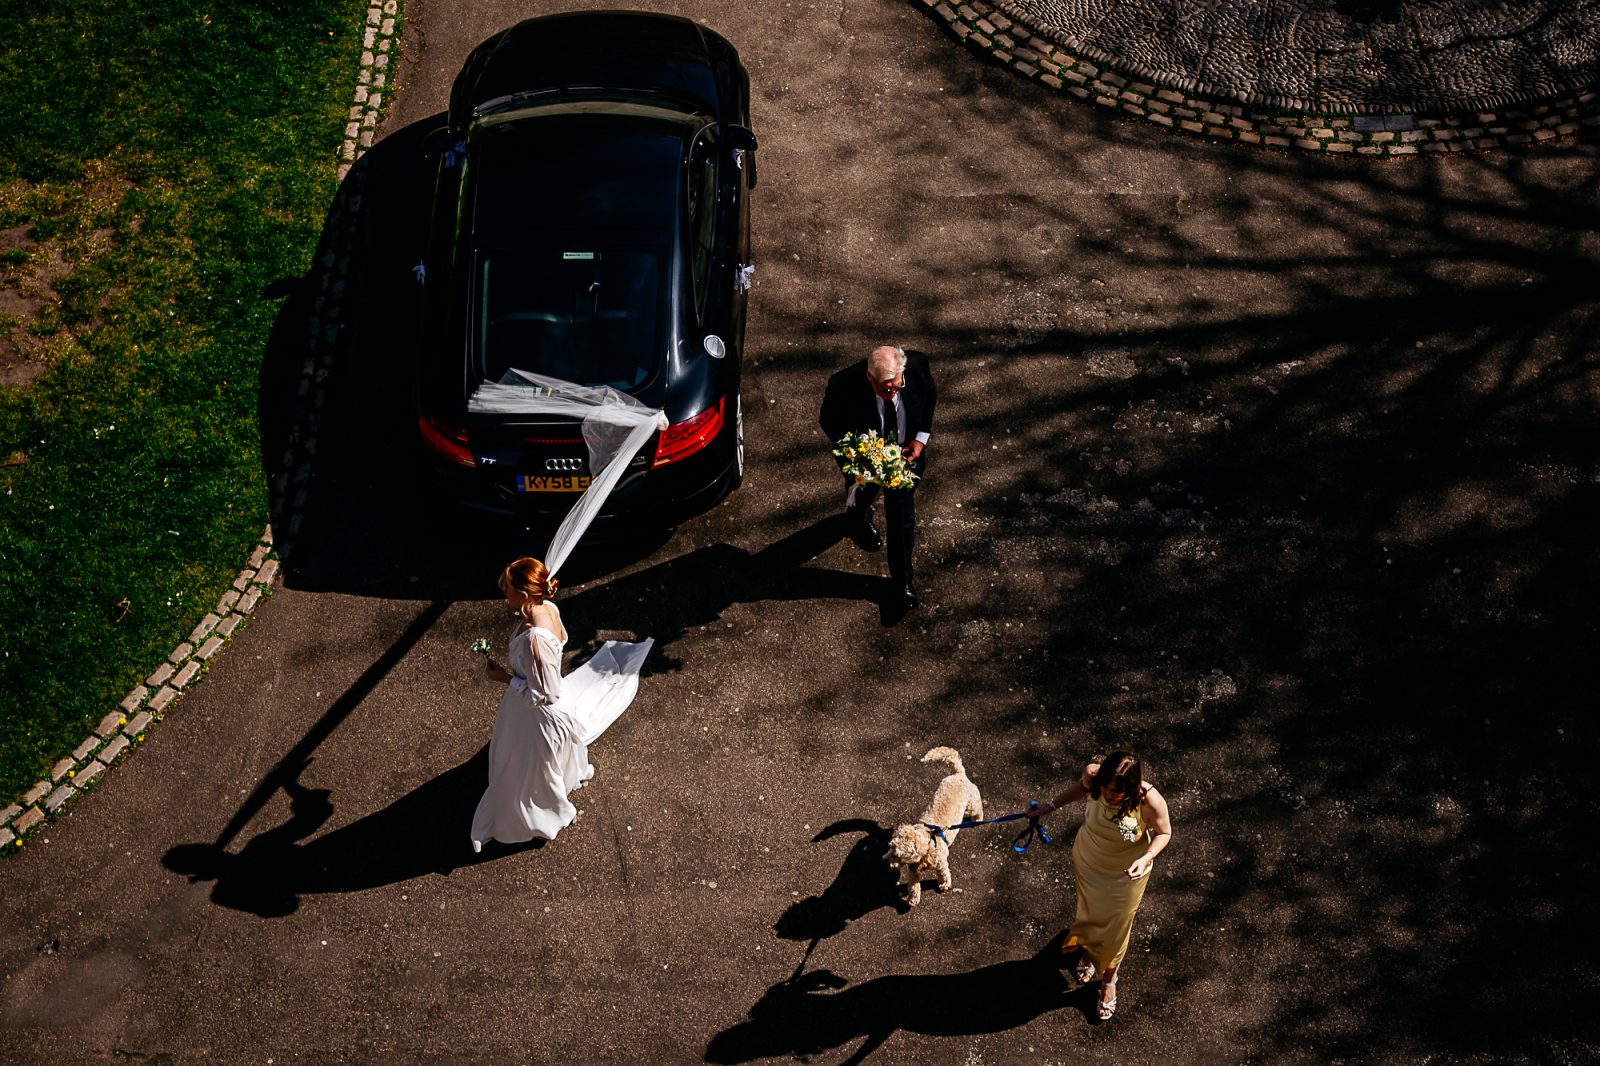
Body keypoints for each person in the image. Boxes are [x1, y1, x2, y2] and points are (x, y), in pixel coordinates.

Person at [470, 557, 653, 851]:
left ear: (524, 595)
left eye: (508, 591)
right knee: (526, 763)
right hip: (531, 705)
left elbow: (547, 695)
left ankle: (539, 820)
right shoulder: (548, 608)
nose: (505, 597)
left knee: (531, 772)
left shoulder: (535, 639)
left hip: (539, 715)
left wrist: (505, 678)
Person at [1020, 751, 1172, 1021]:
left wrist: (1146, 857)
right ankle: (1090, 953)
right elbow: (1081, 788)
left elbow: (1164, 832)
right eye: (1105, 788)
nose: (1107, 795)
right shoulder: (1093, 776)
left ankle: (1109, 979)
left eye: (1115, 792)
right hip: (1088, 862)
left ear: (1131, 787)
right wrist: (1049, 806)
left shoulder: (1149, 800)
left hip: (1125, 876)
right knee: (1089, 913)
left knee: (1115, 929)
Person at [818, 344, 937, 612]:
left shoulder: (917, 367)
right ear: (870, 378)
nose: (891, 393)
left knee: (902, 519)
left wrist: (920, 439)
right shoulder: (843, 385)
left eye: (896, 386)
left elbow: (929, 396)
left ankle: (902, 583)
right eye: (884, 389)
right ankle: (856, 520)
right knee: (860, 495)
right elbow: (828, 421)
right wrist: (858, 454)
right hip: (864, 461)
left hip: (905, 459)